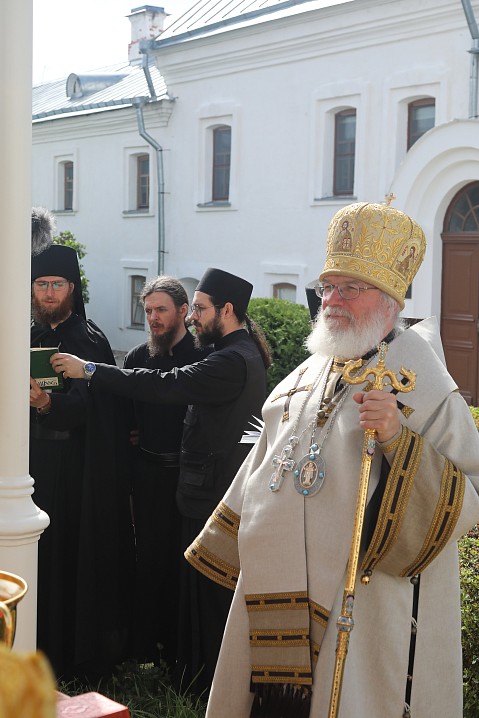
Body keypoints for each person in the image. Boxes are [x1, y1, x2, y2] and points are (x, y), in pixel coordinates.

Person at [172, 202, 477, 718]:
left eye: (349, 288)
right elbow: (268, 453)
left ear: (389, 300)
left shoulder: (424, 383)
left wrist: (398, 440)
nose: (331, 300)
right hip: (279, 583)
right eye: (328, 286)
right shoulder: (313, 367)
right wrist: (228, 537)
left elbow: (469, 497)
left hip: (362, 603)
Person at [50, 267, 271, 694]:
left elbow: (167, 384)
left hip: (209, 492)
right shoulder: (236, 351)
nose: (193, 318)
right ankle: (187, 674)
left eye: (199, 309)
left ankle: (203, 686)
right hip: (200, 488)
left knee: (205, 593)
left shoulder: (230, 359)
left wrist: (89, 369)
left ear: (226, 310)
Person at [29, 220, 134, 679]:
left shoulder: (89, 341)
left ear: (72, 287)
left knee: (70, 558)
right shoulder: (24, 335)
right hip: (31, 470)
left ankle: (71, 654)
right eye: (42, 284)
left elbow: (95, 409)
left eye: (57, 284)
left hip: (76, 472)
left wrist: (47, 403)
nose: (49, 293)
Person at [123, 276, 211, 667]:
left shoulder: (204, 357)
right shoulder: (136, 358)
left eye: (161, 309)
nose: (153, 318)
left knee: (184, 562)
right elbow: (126, 418)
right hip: (147, 475)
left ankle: (179, 653)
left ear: (183, 311)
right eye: (148, 311)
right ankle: (144, 650)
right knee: (148, 560)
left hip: (189, 478)